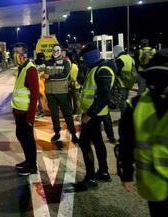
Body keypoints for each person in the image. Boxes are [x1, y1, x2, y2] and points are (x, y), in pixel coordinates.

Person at [116, 49, 168, 217]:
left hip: (151, 184)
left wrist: (126, 174)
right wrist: (126, 173)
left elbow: (125, 143)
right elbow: (126, 144)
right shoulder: (135, 106)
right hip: (153, 185)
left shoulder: (136, 106)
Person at [75, 43, 116, 190]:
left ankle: (91, 178)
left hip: (94, 115)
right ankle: (104, 172)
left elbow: (103, 96)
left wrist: (89, 115)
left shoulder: (103, 69)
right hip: (94, 114)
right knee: (98, 141)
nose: (83, 60)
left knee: (84, 142)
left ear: (90, 56)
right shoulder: (94, 68)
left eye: (85, 57)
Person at [11, 42, 40, 176]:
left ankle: (32, 165)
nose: (15, 55)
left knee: (28, 138)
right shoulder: (21, 68)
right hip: (18, 112)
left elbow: (35, 95)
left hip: (25, 113)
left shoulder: (30, 69)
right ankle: (28, 161)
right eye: (14, 52)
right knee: (20, 135)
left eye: (18, 52)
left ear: (24, 54)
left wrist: (30, 117)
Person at [42, 45, 78, 143]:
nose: (55, 52)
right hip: (50, 93)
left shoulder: (66, 62)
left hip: (62, 92)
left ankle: (73, 133)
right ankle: (57, 133)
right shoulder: (47, 62)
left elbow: (64, 75)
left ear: (60, 51)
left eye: (57, 50)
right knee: (54, 115)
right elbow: (38, 68)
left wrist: (49, 76)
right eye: (53, 50)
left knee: (67, 113)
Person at [34, 52, 46, 118]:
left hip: (39, 84)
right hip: (41, 84)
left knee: (40, 99)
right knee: (41, 98)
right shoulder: (45, 64)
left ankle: (41, 111)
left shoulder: (35, 65)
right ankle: (41, 111)